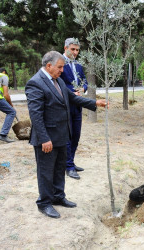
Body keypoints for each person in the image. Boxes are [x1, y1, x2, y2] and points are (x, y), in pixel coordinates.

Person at [25, 51, 107, 219]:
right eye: (60, 67)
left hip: (62, 135)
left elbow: (72, 98)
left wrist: (95, 103)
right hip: (47, 138)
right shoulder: (35, 83)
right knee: (46, 171)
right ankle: (45, 203)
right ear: (49, 66)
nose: (62, 70)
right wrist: (44, 138)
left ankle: (58, 197)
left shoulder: (58, 80)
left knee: (59, 168)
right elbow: (36, 115)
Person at [60, 38, 88, 180]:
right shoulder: (59, 63)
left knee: (76, 135)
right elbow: (57, 82)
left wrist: (83, 88)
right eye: (73, 49)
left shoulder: (78, 65)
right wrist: (72, 92)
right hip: (65, 105)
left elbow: (84, 81)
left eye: (77, 50)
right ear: (65, 48)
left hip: (77, 105)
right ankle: (69, 167)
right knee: (68, 136)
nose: (75, 52)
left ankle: (70, 161)